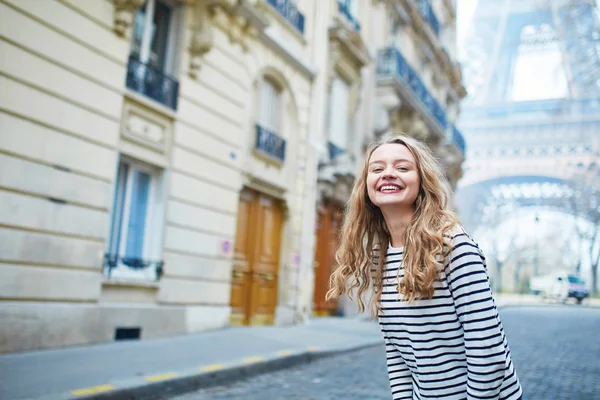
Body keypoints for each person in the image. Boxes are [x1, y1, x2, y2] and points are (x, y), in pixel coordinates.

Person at [326, 134, 523, 400]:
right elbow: (398, 351)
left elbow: (488, 351)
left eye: (403, 167)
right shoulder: (380, 257)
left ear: (422, 182)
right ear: (366, 186)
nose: (388, 174)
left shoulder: (453, 246)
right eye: (377, 169)